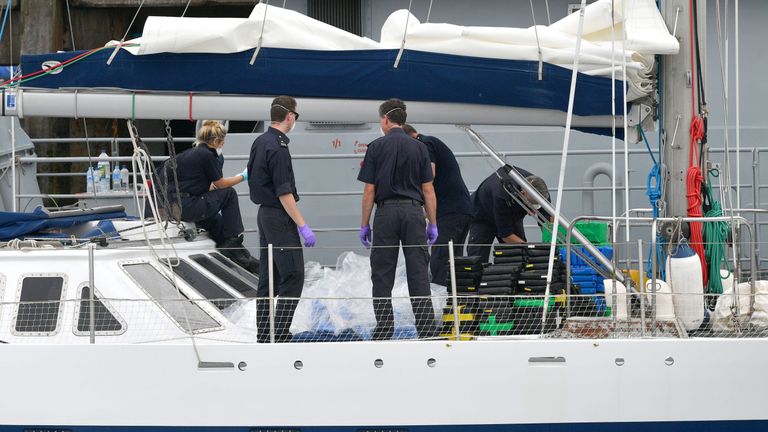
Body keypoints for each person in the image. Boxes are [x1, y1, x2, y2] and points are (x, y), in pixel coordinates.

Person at [358, 98, 439, 340]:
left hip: (385, 214)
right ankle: (426, 330)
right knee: (418, 273)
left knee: (382, 274)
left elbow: (369, 191)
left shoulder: (375, 147)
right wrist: (432, 222)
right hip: (414, 213)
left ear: (384, 119)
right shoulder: (420, 148)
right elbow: (428, 190)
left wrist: (365, 224)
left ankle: (384, 329)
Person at [248, 95, 315, 343]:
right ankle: (280, 332)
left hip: (264, 215)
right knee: (293, 275)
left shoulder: (260, 141)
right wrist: (303, 225)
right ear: (290, 116)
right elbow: (284, 192)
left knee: (269, 279)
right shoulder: (278, 146)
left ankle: (264, 334)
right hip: (278, 215)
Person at [158, 120, 257, 272]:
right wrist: (243, 176)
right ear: (216, 141)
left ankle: (234, 253)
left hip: (172, 206)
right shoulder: (208, 155)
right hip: (186, 206)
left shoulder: (190, 154)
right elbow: (221, 184)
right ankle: (233, 241)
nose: (222, 145)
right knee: (229, 194)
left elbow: (194, 183)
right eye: (222, 142)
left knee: (215, 220)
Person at [402, 124, 473, 286]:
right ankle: (453, 301)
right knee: (453, 261)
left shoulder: (425, 144)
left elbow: (429, 175)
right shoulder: (430, 143)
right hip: (459, 210)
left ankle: (440, 300)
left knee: (441, 259)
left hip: (451, 212)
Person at [467, 166, 551, 263]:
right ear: (523, 193)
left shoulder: (541, 191)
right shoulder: (502, 194)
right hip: (483, 216)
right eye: (531, 207)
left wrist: (550, 247)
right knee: (477, 259)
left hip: (513, 214)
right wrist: (532, 250)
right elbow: (506, 235)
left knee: (519, 257)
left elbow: (548, 224)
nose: (532, 211)